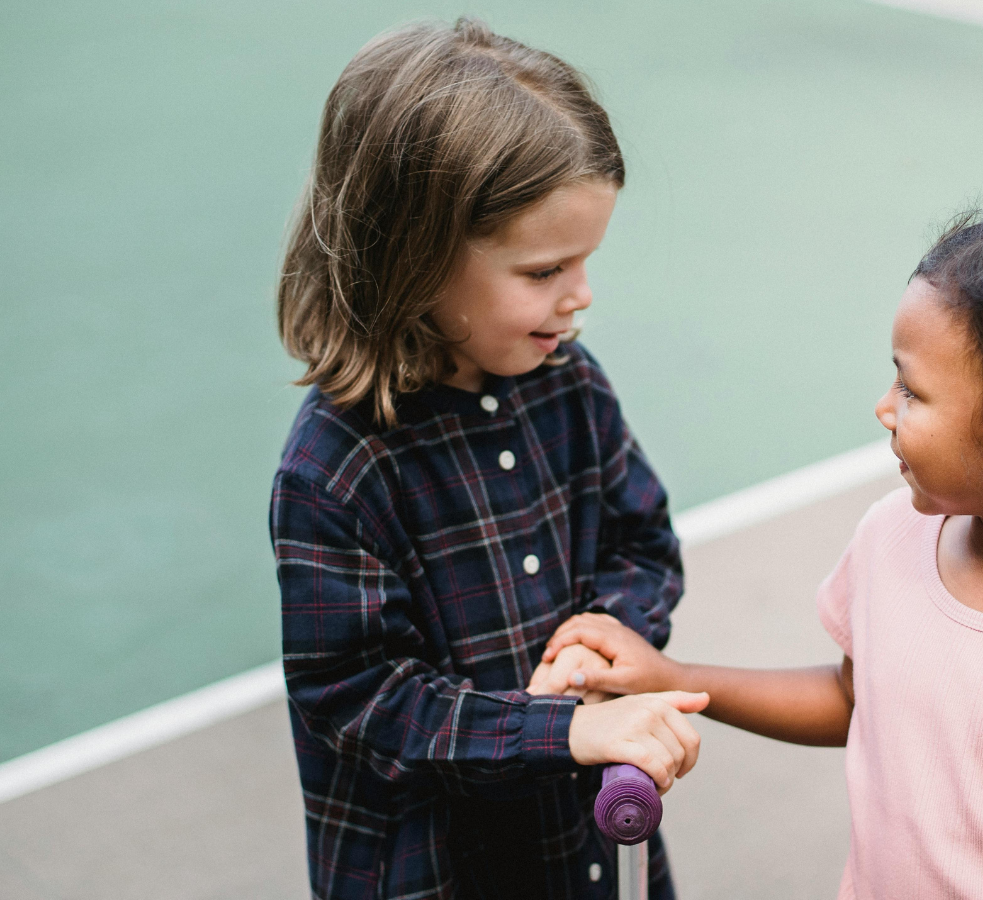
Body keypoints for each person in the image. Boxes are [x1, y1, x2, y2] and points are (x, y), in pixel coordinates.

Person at [543, 205, 983, 899]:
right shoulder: (892, 537)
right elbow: (857, 698)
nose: (885, 408)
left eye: (912, 391)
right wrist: (672, 676)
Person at [270, 19, 706, 900]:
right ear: (415, 257)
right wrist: (558, 732)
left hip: (579, 849)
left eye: (586, 261)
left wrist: (604, 642)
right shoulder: (336, 469)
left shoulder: (569, 382)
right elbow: (362, 702)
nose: (581, 297)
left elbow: (641, 542)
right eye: (545, 270)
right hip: (440, 873)